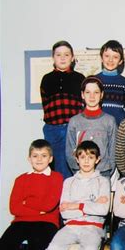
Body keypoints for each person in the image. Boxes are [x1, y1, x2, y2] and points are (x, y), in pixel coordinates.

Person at [29, 141, 111, 250]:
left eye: (90, 157)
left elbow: (103, 210)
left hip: (93, 227)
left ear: (98, 159)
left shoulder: (103, 181)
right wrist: (90, 204)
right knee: (53, 249)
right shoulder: (69, 182)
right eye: (82, 157)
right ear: (76, 159)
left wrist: (77, 205)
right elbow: (64, 212)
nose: (86, 161)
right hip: (70, 226)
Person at [0, 139, 63, 250]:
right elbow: (14, 207)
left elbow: (49, 205)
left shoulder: (56, 178)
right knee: (3, 244)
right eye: (35, 156)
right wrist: (37, 209)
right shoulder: (21, 179)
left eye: (43, 156)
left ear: (50, 158)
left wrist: (27, 203)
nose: (39, 159)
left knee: (38, 245)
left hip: (46, 222)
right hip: (21, 221)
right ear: (29, 158)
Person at [40, 40, 85, 179]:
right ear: (53, 58)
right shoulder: (47, 79)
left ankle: (72, 197)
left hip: (72, 127)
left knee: (73, 163)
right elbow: (46, 104)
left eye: (66, 54)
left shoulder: (79, 78)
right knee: (55, 166)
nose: (63, 58)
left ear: (72, 58)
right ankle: (58, 198)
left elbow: (83, 105)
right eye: (58, 55)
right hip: (52, 128)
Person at [66, 76, 117, 178]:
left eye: (96, 92)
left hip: (103, 172)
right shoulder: (74, 121)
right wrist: (77, 171)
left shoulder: (109, 121)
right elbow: (70, 149)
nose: (92, 96)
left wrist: (109, 168)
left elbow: (113, 148)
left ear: (102, 95)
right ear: (82, 95)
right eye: (88, 92)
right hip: (81, 173)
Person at [95, 40, 125, 125]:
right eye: (107, 56)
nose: (110, 60)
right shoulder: (93, 81)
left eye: (115, 57)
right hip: (96, 128)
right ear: (101, 58)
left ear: (120, 61)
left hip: (118, 130)